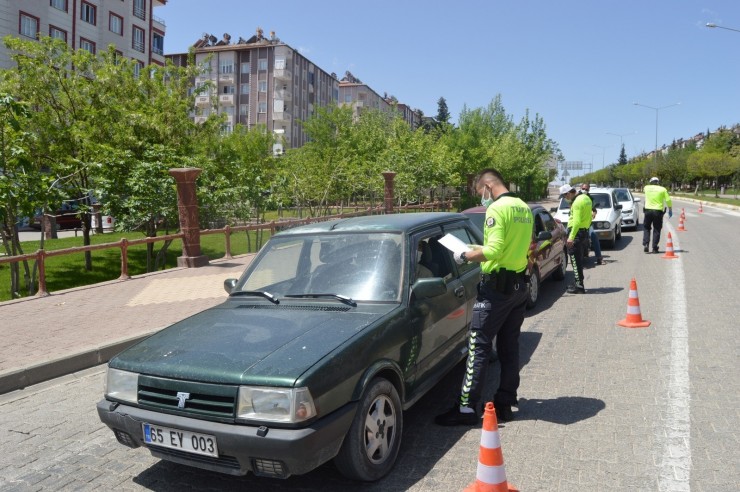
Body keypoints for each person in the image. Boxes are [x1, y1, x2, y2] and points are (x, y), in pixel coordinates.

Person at [435, 168, 533, 425]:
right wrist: (477, 248)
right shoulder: (522, 207)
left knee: (478, 346)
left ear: (488, 186)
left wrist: (465, 255)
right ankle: (505, 402)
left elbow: (495, 250)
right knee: (510, 346)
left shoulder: (497, 209)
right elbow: (516, 246)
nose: (482, 198)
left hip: (496, 291)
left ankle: (466, 409)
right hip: (518, 287)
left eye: (480, 192)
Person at [560, 183, 591, 293]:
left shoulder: (577, 202)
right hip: (584, 232)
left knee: (575, 260)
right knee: (579, 259)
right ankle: (578, 282)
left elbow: (577, 222)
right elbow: (589, 216)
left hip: (576, 233)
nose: (565, 198)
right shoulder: (586, 198)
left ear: (568, 193)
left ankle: (579, 286)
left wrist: (571, 237)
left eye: (565, 196)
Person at [642, 177, 673, 253]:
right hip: (658, 211)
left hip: (648, 211)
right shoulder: (663, 189)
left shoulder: (646, 188)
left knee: (646, 228)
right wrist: (670, 209)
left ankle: (646, 244)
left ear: (650, 182)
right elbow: (668, 200)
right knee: (657, 229)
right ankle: (654, 247)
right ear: (658, 182)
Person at [580, 184, 604, 266]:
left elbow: (594, 209)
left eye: (586, 189)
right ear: (580, 188)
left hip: (587, 224)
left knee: (594, 237)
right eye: (583, 188)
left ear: (589, 190)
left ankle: (599, 258)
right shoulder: (576, 197)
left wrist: (594, 214)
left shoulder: (590, 198)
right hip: (576, 223)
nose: (584, 190)